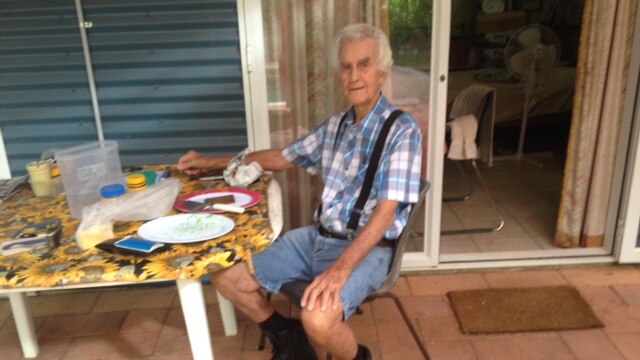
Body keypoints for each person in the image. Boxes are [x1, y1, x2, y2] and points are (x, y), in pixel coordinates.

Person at [177, 23, 422, 360]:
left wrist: (339, 270)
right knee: (223, 273)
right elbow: (280, 156)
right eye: (346, 66)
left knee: (318, 319)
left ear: (382, 72)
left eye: (364, 64)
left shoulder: (402, 131)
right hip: (317, 238)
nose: (354, 76)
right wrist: (209, 162)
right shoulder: (336, 125)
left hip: (369, 247)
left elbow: (385, 214)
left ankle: (356, 357)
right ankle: (288, 336)